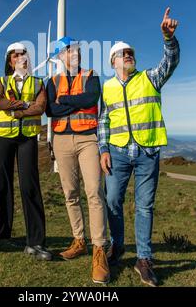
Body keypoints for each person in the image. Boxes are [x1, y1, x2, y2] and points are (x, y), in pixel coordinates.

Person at [99, 8, 180, 287]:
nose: (129, 55)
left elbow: (169, 63)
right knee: (112, 201)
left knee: (145, 206)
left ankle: (143, 259)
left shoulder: (150, 78)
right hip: (117, 152)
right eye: (123, 53)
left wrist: (168, 38)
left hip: (147, 152)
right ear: (113, 61)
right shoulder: (106, 88)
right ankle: (117, 245)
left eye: (131, 52)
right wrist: (103, 150)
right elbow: (103, 121)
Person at [46, 36, 110, 284]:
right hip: (61, 141)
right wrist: (71, 103)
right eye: (70, 51)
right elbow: (50, 110)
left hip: (88, 140)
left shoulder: (91, 75)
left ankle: (99, 248)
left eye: (77, 50)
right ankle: (79, 240)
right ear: (61, 56)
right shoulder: (51, 80)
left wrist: (64, 101)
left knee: (94, 192)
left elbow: (91, 99)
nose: (75, 54)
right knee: (70, 193)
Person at [0, 42, 52, 261]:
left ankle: (36, 242)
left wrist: (16, 110)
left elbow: (40, 107)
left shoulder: (38, 82)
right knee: (0, 184)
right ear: (9, 60)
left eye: (23, 54)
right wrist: (25, 104)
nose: (19, 58)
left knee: (29, 185)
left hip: (28, 139)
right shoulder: (1, 81)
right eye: (15, 55)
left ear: (28, 59)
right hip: (3, 138)